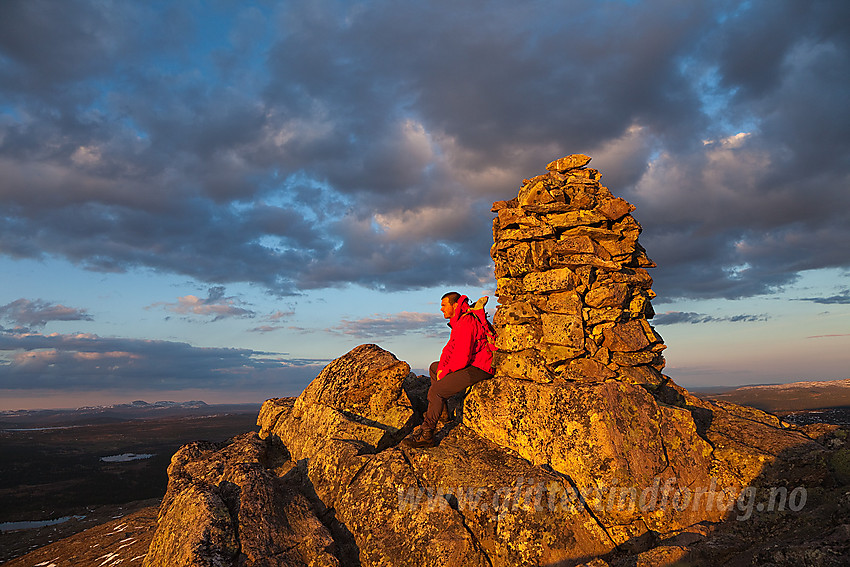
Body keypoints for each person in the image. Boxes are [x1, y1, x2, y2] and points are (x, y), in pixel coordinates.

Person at [403, 291, 494, 448]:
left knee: (436, 391)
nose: (441, 309)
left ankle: (427, 434)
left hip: (480, 367)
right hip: (471, 363)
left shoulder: (466, 322)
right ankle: (443, 414)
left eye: (444, 305)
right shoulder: (458, 321)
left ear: (455, 305)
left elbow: (462, 356)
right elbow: (450, 349)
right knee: (433, 368)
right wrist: (442, 368)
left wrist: (446, 371)